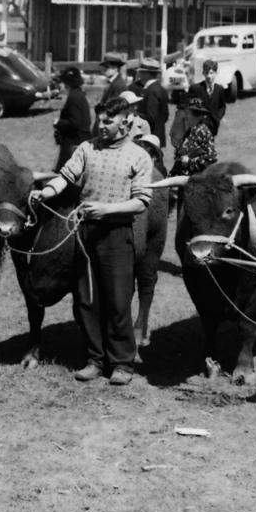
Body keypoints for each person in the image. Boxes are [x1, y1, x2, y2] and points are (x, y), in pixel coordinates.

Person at [31, 95, 153, 386]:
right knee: (87, 300)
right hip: (84, 235)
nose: (100, 125)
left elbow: (141, 202)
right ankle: (94, 360)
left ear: (125, 123)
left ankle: (122, 363)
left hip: (116, 235)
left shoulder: (139, 156)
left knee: (118, 300)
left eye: (108, 121)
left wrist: (107, 210)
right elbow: (65, 177)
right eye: (100, 119)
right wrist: (46, 193)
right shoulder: (86, 148)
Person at [53, 66, 91, 171]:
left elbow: (75, 123)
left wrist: (58, 123)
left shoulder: (74, 97)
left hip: (74, 142)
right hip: (79, 140)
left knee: (66, 173)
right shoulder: (79, 94)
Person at [170, 98, 217, 177]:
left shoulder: (203, 132)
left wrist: (190, 162)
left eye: (188, 113)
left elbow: (210, 159)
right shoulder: (190, 130)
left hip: (196, 180)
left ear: (197, 116)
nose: (186, 116)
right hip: (183, 176)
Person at [129, 58, 168, 148]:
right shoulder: (160, 89)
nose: (139, 74)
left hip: (150, 137)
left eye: (141, 72)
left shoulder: (152, 91)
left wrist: (134, 114)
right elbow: (165, 115)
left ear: (147, 74)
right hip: (156, 135)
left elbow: (151, 116)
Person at [189, 58, 230, 136]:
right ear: (203, 73)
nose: (209, 76)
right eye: (206, 73)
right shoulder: (196, 89)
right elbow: (191, 106)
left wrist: (217, 118)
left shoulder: (219, 89)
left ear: (216, 73)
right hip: (199, 128)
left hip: (213, 127)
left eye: (211, 73)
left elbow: (222, 107)